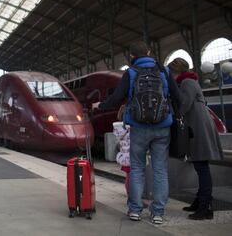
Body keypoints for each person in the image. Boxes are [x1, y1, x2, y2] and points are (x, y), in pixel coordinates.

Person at [92, 41, 182, 225]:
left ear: (132, 56)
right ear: (149, 52)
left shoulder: (131, 73)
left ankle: (135, 210)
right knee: (159, 170)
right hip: (162, 127)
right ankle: (157, 213)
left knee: (137, 169)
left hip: (139, 127)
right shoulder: (164, 71)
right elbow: (178, 97)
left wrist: (99, 105)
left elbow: (116, 98)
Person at [168, 58, 223, 220]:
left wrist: (173, 117)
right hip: (197, 128)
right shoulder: (188, 81)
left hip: (199, 129)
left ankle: (205, 207)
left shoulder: (186, 82)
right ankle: (200, 202)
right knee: (200, 166)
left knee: (202, 167)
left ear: (175, 71)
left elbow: (185, 104)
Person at [113, 104, 130, 195]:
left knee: (128, 177)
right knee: (133, 178)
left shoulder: (119, 129)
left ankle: (130, 194)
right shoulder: (131, 129)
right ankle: (132, 196)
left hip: (124, 156)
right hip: (132, 157)